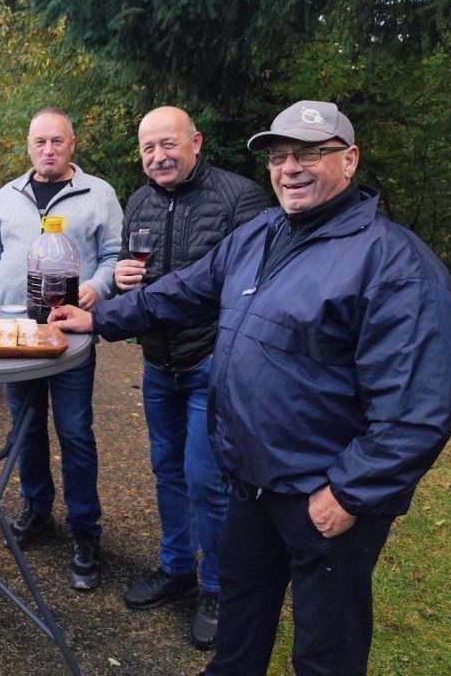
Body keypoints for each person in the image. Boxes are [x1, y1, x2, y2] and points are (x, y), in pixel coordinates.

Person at [50, 100, 451, 676]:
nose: (291, 167)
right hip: (250, 484)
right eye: (280, 155)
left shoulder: (394, 263)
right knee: (240, 629)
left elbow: (418, 411)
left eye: (311, 154)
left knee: (326, 651)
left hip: (324, 497)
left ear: (351, 159)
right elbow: (182, 292)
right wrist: (99, 319)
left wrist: (348, 495)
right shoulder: (261, 234)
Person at [117, 107, 266, 649]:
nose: (158, 156)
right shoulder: (138, 201)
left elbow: (255, 283)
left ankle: (217, 588)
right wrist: (119, 276)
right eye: (148, 148)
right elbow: (136, 278)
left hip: (211, 363)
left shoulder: (240, 198)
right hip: (159, 362)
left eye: (168, 144)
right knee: (167, 471)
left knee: (208, 480)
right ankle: (176, 567)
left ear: (195, 142)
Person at [0, 107, 123, 589]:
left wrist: (96, 290)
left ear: (72, 144)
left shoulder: (99, 194)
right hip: (16, 335)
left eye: (57, 141)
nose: (49, 150)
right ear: (29, 145)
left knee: (75, 431)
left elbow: (116, 258)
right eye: (40, 142)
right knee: (26, 429)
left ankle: (85, 531)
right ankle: (37, 509)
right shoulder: (7, 195)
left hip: (71, 335)